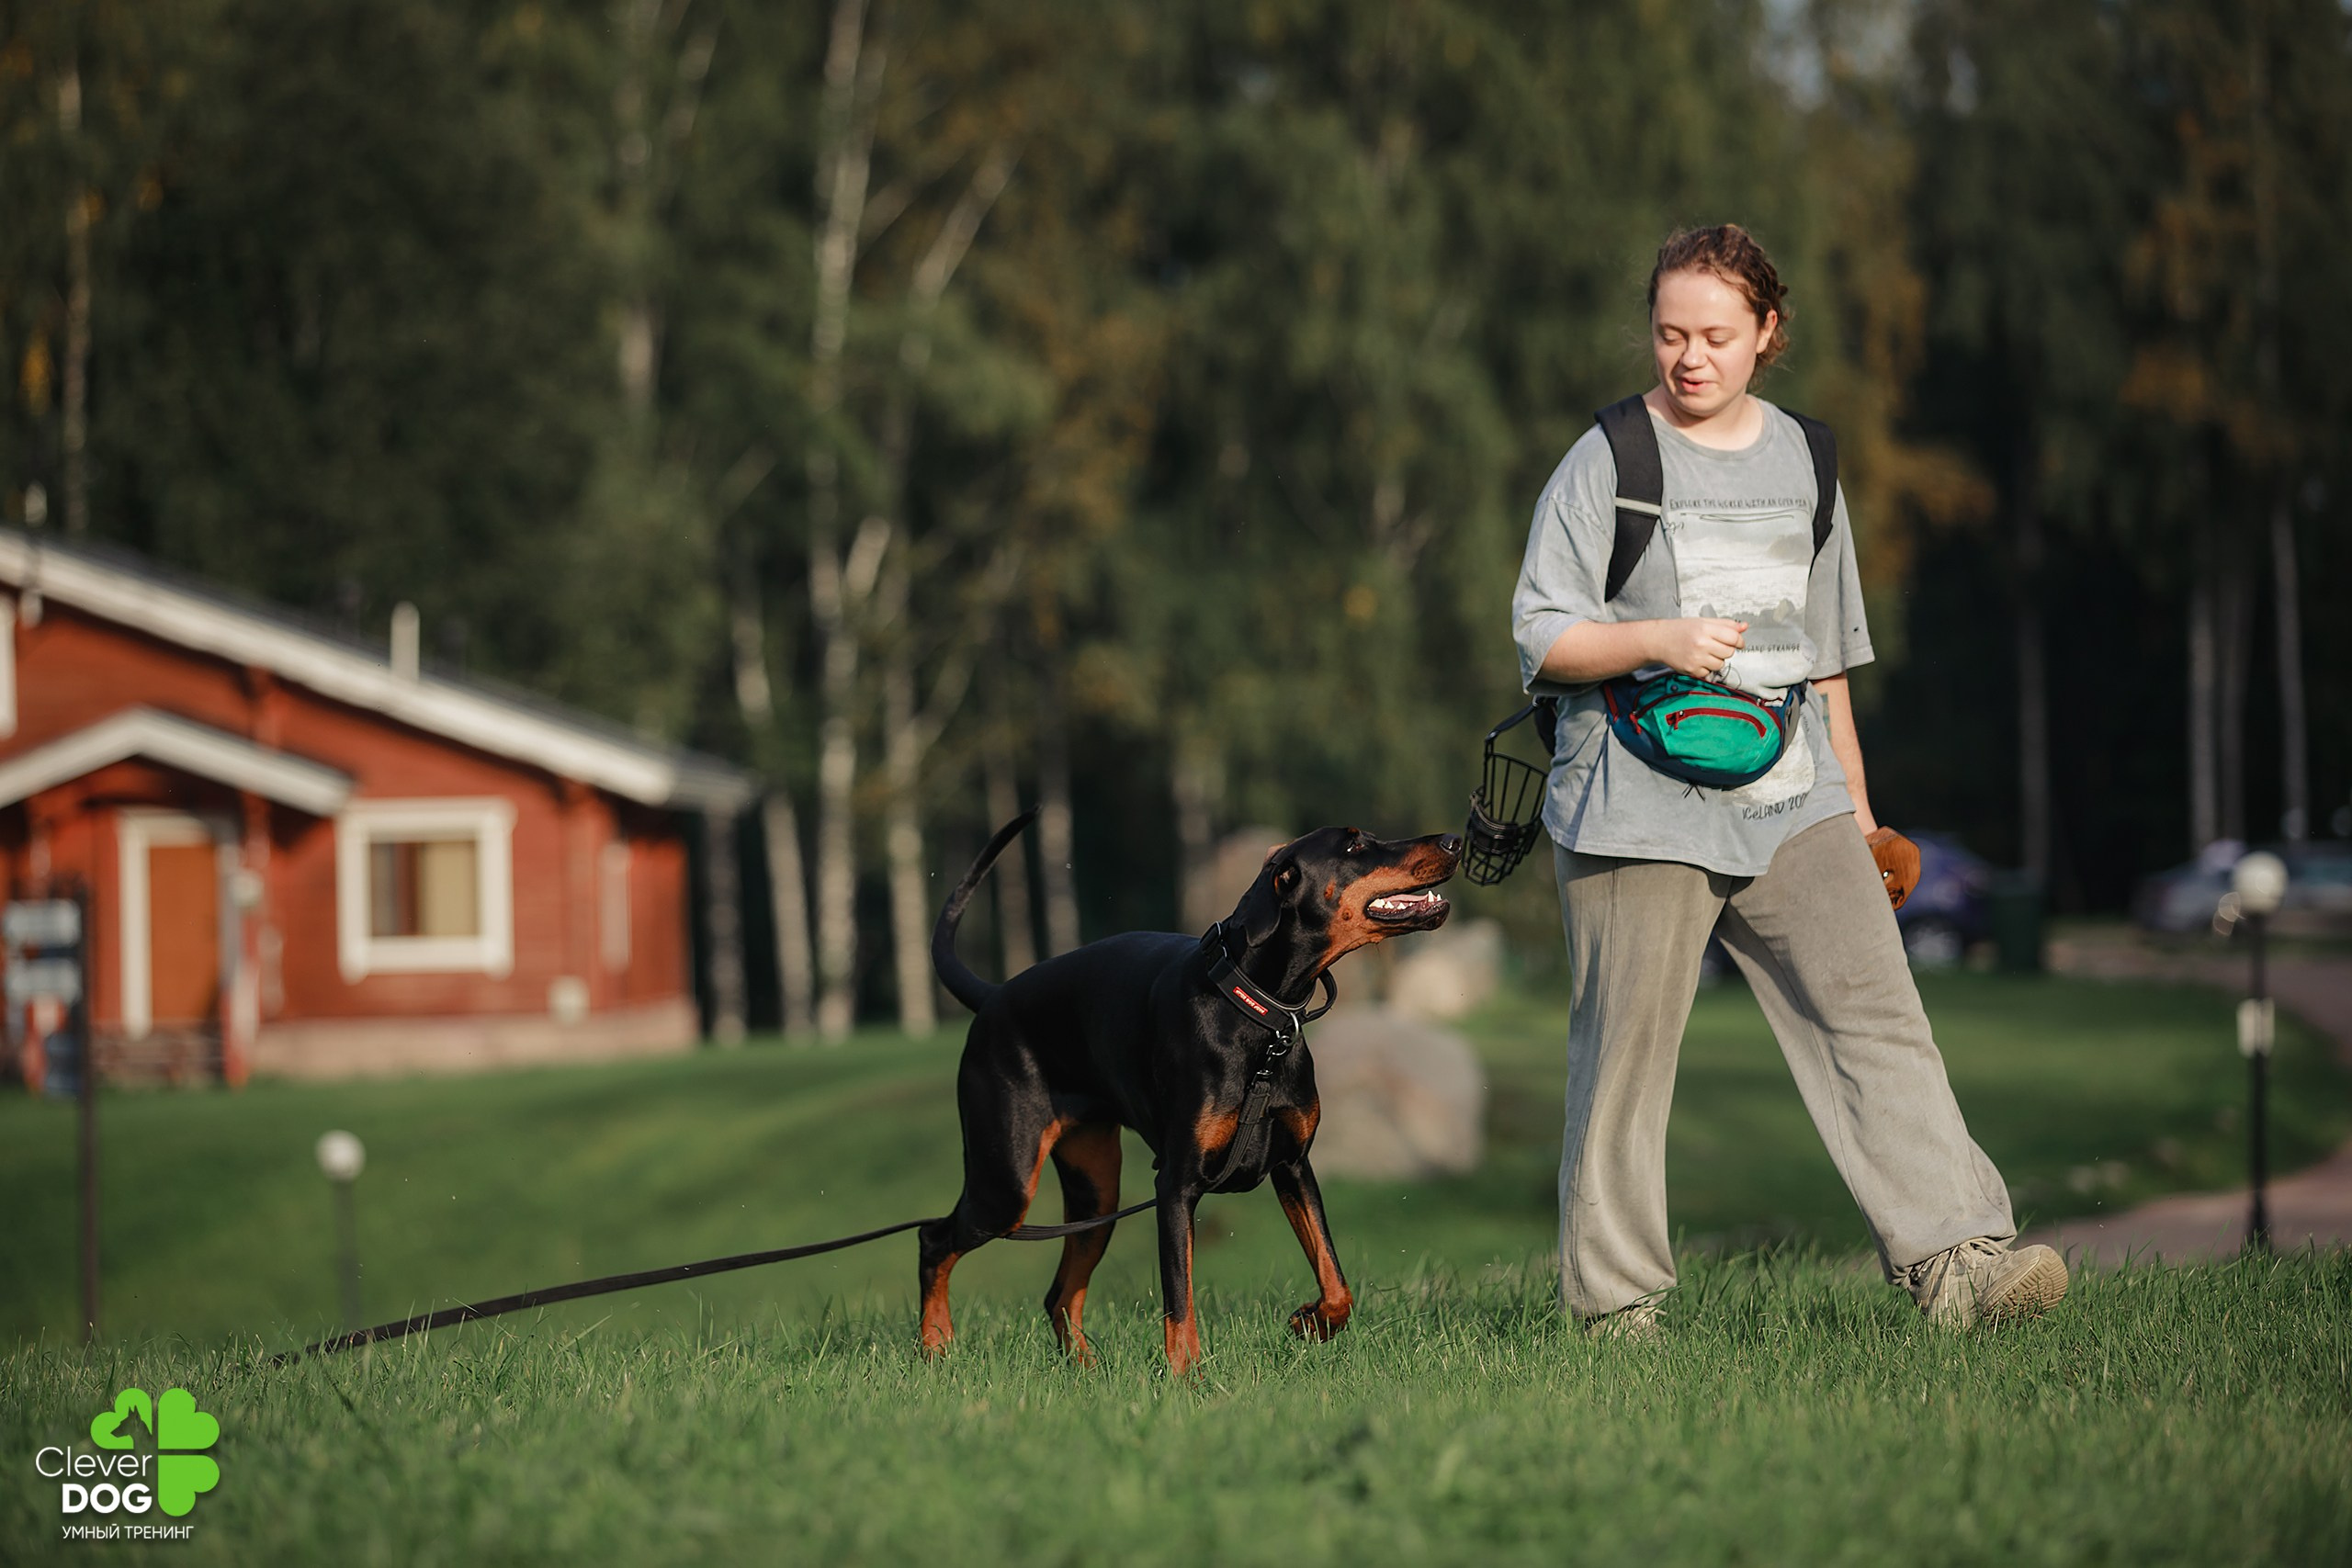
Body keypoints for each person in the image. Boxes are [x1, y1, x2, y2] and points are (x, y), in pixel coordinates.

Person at [1510, 224, 2066, 1334]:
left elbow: (1823, 663)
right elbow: (1541, 638)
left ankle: (1957, 1265)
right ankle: (1616, 1313)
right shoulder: (1609, 457)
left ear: (1767, 332)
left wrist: (1859, 814)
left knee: (1877, 1016)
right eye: (1670, 334)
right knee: (1625, 1061)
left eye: (1715, 335)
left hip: (1790, 796)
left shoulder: (1807, 460)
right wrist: (1657, 636)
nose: (1689, 358)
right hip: (1632, 803)